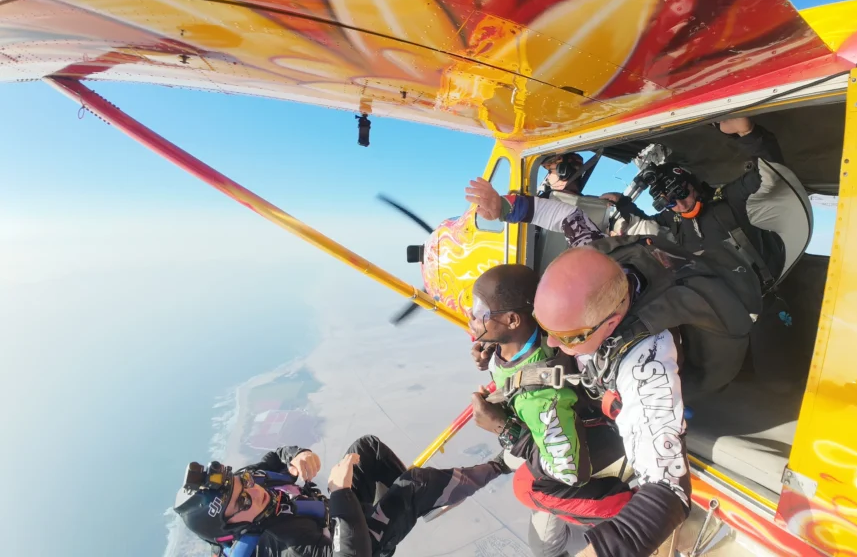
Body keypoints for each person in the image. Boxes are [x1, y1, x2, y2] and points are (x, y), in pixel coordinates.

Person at [465, 183, 763, 557]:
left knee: (533, 486)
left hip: (699, 373)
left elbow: (668, 489)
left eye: (568, 337)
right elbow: (568, 217)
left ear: (609, 325)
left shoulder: (645, 362)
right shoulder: (594, 259)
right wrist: (508, 208)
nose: (553, 345)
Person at [467, 264, 635, 556]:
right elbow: (509, 352)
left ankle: (634, 512)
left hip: (591, 445)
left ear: (511, 319)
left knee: (530, 495)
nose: (472, 318)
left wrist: (504, 429)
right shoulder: (541, 329)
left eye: (480, 312)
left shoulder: (540, 398)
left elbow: (569, 474)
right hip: (565, 423)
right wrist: (491, 353)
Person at [173, 436, 507, 557]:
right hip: (358, 546)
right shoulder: (278, 545)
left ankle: (424, 501)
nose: (253, 491)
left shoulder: (252, 482)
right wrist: (340, 493)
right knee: (414, 484)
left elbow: (275, 458)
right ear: (234, 531)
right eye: (242, 503)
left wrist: (297, 454)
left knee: (367, 449)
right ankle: (501, 464)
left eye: (242, 483)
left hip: (340, 515)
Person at [607, 117, 802, 289]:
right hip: (718, 299)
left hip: (762, 290)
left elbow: (771, 174)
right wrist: (622, 203)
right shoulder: (672, 216)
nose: (680, 205)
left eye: (681, 193)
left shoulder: (730, 198)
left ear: (693, 185)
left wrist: (747, 132)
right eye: (668, 202)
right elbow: (644, 224)